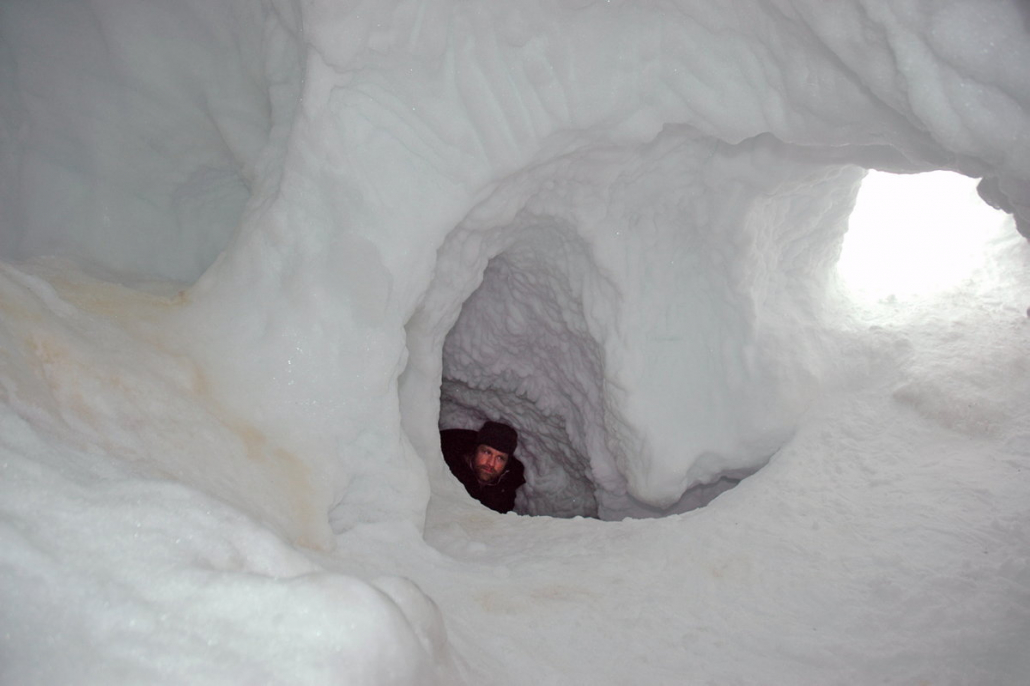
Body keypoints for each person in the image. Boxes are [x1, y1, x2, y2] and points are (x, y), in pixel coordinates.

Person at [440, 421, 525, 514]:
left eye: (500, 458)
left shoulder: (506, 485)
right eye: (487, 452)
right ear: (475, 450)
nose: (491, 463)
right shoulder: (447, 467)